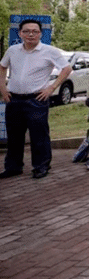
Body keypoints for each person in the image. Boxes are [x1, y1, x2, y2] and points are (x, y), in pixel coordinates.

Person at [0, 19, 72, 179]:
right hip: (14, 99)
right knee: (14, 136)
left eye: (35, 31)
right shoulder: (13, 50)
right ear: (20, 33)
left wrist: (52, 88)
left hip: (36, 100)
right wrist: (3, 88)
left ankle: (41, 166)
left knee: (39, 135)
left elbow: (67, 69)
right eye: (26, 31)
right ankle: (13, 167)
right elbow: (2, 66)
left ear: (40, 34)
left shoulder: (50, 51)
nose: (30, 34)